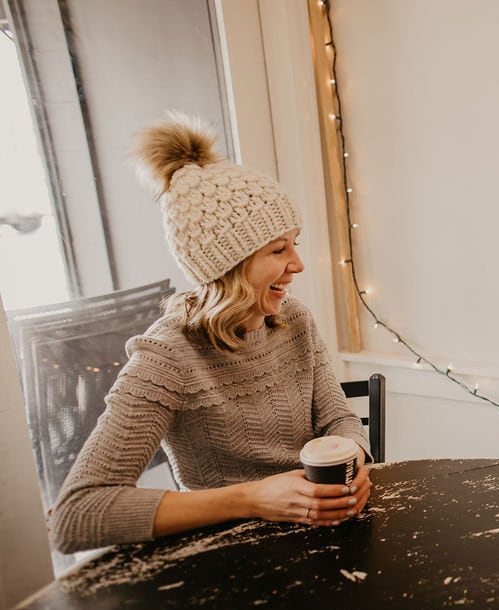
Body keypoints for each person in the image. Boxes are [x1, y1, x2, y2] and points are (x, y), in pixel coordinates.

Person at [49, 113, 372, 554]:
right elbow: (77, 516)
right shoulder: (167, 356)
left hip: (319, 535)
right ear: (228, 268)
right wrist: (251, 499)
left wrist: (353, 455)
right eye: (278, 249)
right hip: (229, 555)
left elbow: (337, 417)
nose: (297, 263)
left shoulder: (293, 320)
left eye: (294, 243)